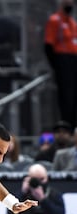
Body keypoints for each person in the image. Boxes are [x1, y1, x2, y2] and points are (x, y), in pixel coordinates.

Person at [44, 0, 77, 128]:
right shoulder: (55, 20)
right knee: (66, 95)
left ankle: (74, 126)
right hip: (63, 61)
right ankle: (67, 125)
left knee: (74, 96)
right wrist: (57, 65)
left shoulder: (72, 23)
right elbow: (48, 45)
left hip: (74, 60)